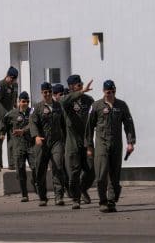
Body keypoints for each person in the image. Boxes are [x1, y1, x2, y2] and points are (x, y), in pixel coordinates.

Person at [86, 80, 136, 213]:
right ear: (104, 91)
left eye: (113, 92)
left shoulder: (121, 105)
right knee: (101, 174)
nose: (111, 94)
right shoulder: (96, 106)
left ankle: (111, 201)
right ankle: (103, 201)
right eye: (108, 92)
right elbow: (89, 127)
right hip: (101, 144)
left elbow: (129, 124)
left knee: (114, 175)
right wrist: (89, 147)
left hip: (116, 144)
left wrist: (130, 142)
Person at [29, 82, 68, 206]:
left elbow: (64, 124)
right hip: (42, 143)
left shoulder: (58, 106)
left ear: (52, 92)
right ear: (42, 93)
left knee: (57, 166)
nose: (47, 94)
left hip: (56, 142)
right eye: (45, 92)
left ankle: (59, 196)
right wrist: (36, 136)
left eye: (49, 92)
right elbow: (32, 123)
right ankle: (42, 196)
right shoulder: (37, 107)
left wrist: (66, 141)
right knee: (40, 169)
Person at [62, 75, 96, 209]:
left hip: (86, 140)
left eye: (81, 84)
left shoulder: (89, 100)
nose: (81, 86)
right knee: (74, 172)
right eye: (78, 85)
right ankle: (76, 199)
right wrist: (80, 92)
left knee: (91, 169)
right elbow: (63, 102)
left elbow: (94, 117)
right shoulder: (67, 101)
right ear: (71, 87)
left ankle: (82, 189)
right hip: (73, 142)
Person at [0, 91, 38, 202]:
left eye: (27, 101)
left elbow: (35, 124)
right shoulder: (12, 114)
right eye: (23, 101)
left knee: (36, 168)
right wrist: (1, 133)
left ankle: (35, 182)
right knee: (20, 170)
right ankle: (24, 194)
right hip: (18, 146)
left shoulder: (32, 112)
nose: (25, 103)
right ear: (19, 102)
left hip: (31, 146)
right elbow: (3, 123)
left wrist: (24, 131)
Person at [0, 66, 18, 171]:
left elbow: (14, 100)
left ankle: (11, 164)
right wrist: (7, 114)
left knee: (12, 140)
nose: (13, 81)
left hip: (11, 117)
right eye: (12, 78)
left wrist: (16, 110)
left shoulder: (15, 86)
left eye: (15, 79)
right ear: (8, 76)